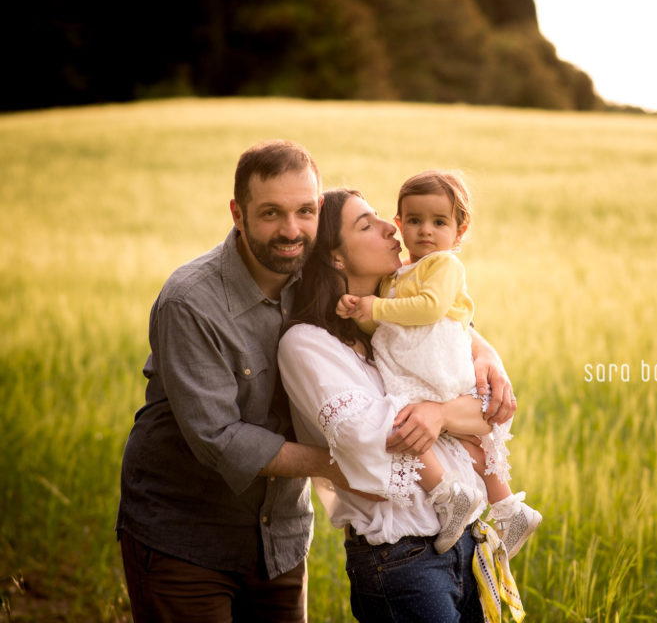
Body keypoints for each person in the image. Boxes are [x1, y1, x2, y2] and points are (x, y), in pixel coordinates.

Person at [115, 141, 517, 623]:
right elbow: (219, 439)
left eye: (305, 210)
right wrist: (344, 465)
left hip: (279, 535)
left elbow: (425, 318)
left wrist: (482, 349)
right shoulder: (193, 303)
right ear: (238, 215)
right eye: (270, 213)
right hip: (187, 531)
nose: (291, 229)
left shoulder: (312, 273)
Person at [279, 188, 526, 623]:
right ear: (335, 257)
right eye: (366, 224)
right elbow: (377, 449)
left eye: (380, 217)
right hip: (403, 561)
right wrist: (449, 415)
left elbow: (488, 413)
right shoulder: (308, 344)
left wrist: (447, 409)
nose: (391, 227)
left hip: (465, 545)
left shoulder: (392, 334)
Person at [338, 170, 541, 558]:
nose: (425, 231)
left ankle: (451, 495)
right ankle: (509, 511)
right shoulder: (396, 275)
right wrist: (357, 314)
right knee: (460, 441)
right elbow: (384, 321)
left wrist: (374, 307)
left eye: (439, 222)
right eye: (414, 221)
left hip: (435, 362)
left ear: (460, 231)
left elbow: (429, 308)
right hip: (413, 362)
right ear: (399, 224)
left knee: (406, 420)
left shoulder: (445, 265)